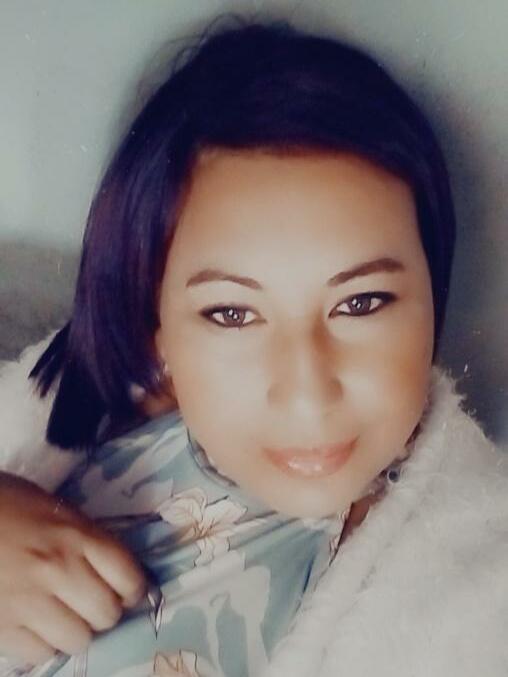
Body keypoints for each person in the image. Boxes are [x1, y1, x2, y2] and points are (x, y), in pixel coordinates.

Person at [0, 13, 507, 677]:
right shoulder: (84, 415)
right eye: (233, 313)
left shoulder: (483, 596)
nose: (307, 392)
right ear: (157, 323)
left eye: (360, 303)